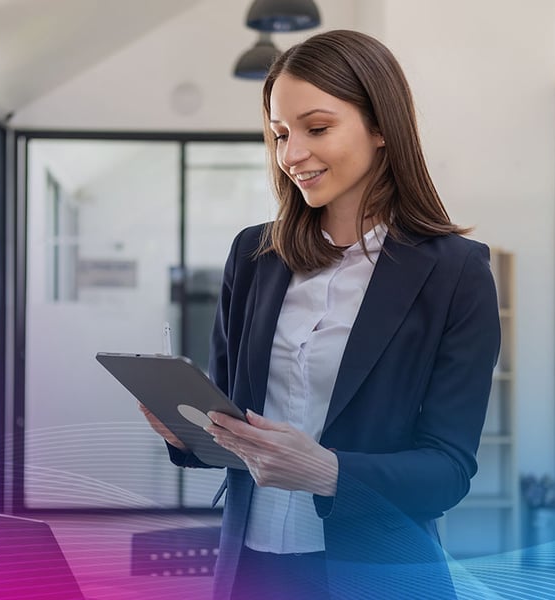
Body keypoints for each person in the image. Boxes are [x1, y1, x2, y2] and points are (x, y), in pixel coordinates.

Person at [140, 29, 500, 600]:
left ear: (380, 127)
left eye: (317, 128)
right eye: (281, 134)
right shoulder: (253, 256)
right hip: (251, 571)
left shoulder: (456, 272)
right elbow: (236, 429)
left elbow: (448, 471)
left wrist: (328, 473)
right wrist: (188, 434)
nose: (290, 155)